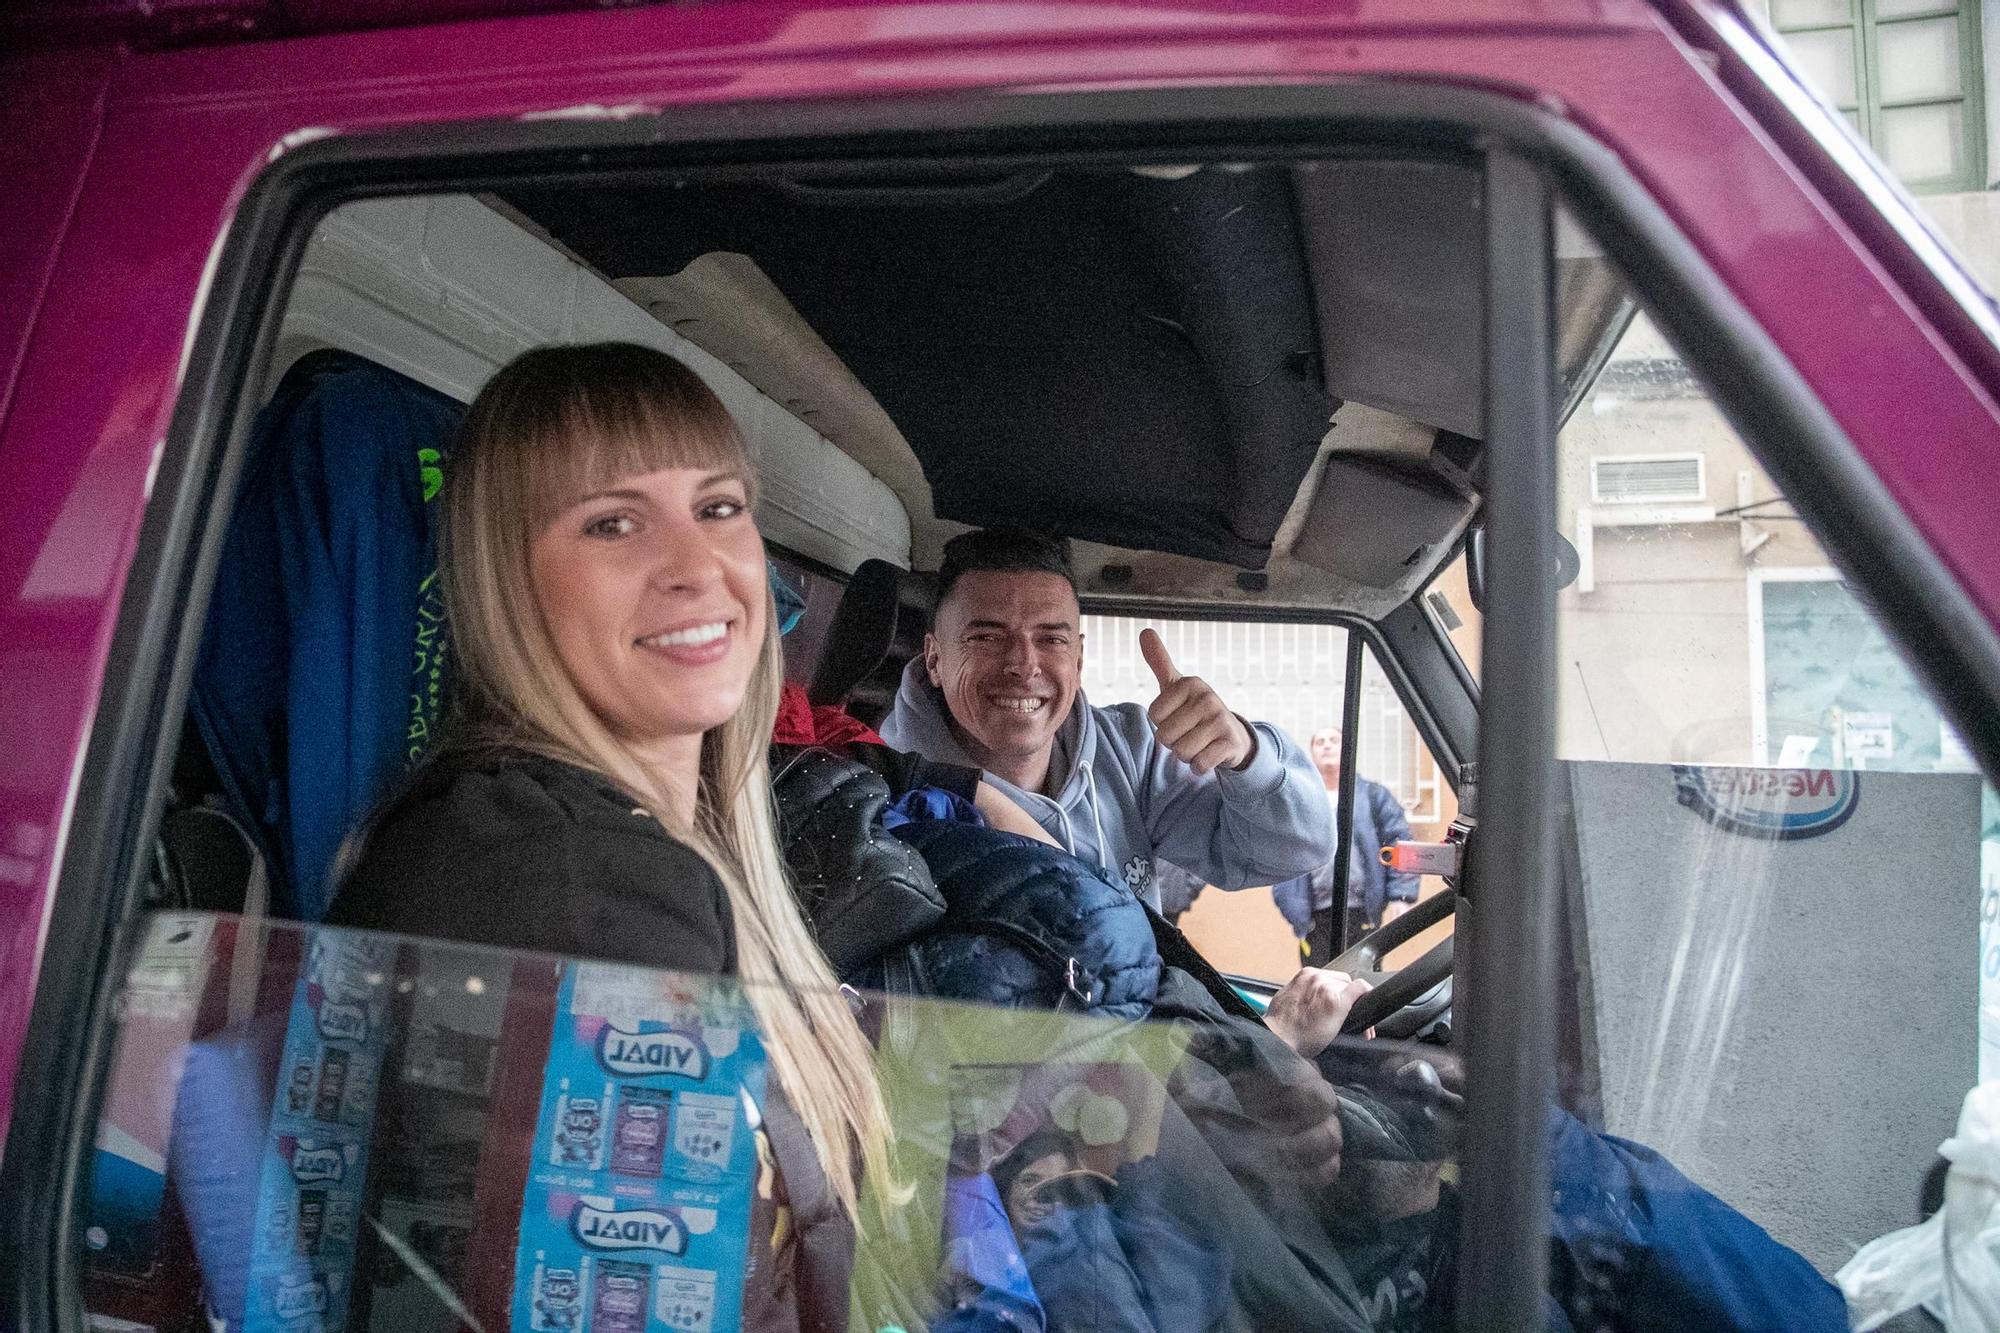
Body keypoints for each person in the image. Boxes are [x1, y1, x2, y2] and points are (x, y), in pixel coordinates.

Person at [326, 342, 895, 1329]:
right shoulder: (563, 873)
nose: (696, 565)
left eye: (716, 507)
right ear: (509, 583)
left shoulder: (616, 843)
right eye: (612, 522)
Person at [879, 526, 1336, 912]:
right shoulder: (883, 793)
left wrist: (1246, 758)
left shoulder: (1130, 751)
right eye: (985, 636)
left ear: (1078, 661)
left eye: (1052, 640)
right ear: (935, 658)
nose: (1023, 664)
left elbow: (1296, 852)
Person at [1273, 726, 1420, 959]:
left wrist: (1400, 896)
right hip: (1315, 920)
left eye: (1334, 740)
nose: (1327, 745)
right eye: (1320, 742)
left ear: (1347, 749)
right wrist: (1294, 911)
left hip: (1363, 915)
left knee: (1362, 988)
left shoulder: (1373, 796)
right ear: (1311, 754)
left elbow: (1399, 842)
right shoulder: (1299, 800)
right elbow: (1281, 855)